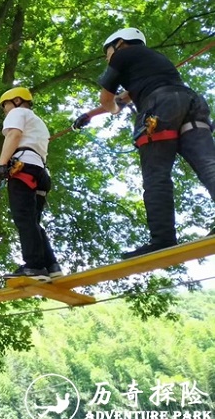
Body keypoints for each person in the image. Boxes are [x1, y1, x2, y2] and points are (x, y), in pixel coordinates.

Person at [73, 27, 215, 259]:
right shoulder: (153, 60)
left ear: (118, 43)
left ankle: (163, 240)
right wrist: (90, 115)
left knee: (156, 174)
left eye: (106, 52)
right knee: (208, 164)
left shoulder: (122, 55)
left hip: (160, 107)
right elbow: (125, 96)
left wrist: (113, 110)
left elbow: (108, 99)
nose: (107, 57)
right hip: (190, 104)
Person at [0, 87, 61, 281]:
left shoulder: (17, 112)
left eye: (5, 105)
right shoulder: (38, 122)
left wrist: (1, 164)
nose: (5, 110)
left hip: (24, 169)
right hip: (40, 172)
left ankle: (34, 266)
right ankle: (51, 265)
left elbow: (13, 135)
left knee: (23, 218)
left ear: (15, 101)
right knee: (32, 222)